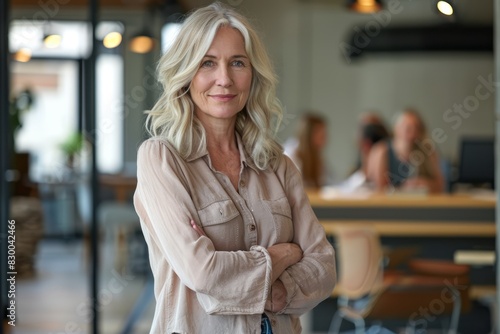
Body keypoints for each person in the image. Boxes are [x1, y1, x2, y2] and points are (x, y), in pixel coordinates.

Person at [133, 3, 336, 333]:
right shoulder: (161, 159)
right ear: (186, 73)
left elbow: (325, 268)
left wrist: (268, 291)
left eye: (237, 63)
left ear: (253, 74)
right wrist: (283, 255)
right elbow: (203, 273)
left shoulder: (278, 165)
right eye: (207, 63)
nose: (224, 79)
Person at [367, 108, 444, 193]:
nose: (412, 132)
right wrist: (402, 189)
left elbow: (440, 186)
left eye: (416, 128)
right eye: (407, 128)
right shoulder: (382, 151)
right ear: (396, 128)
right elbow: (380, 189)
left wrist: (424, 184)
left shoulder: (427, 151)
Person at [283, 112, 335, 189]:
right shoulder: (290, 155)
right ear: (308, 134)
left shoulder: (317, 157)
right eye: (321, 135)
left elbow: (326, 182)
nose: (325, 139)